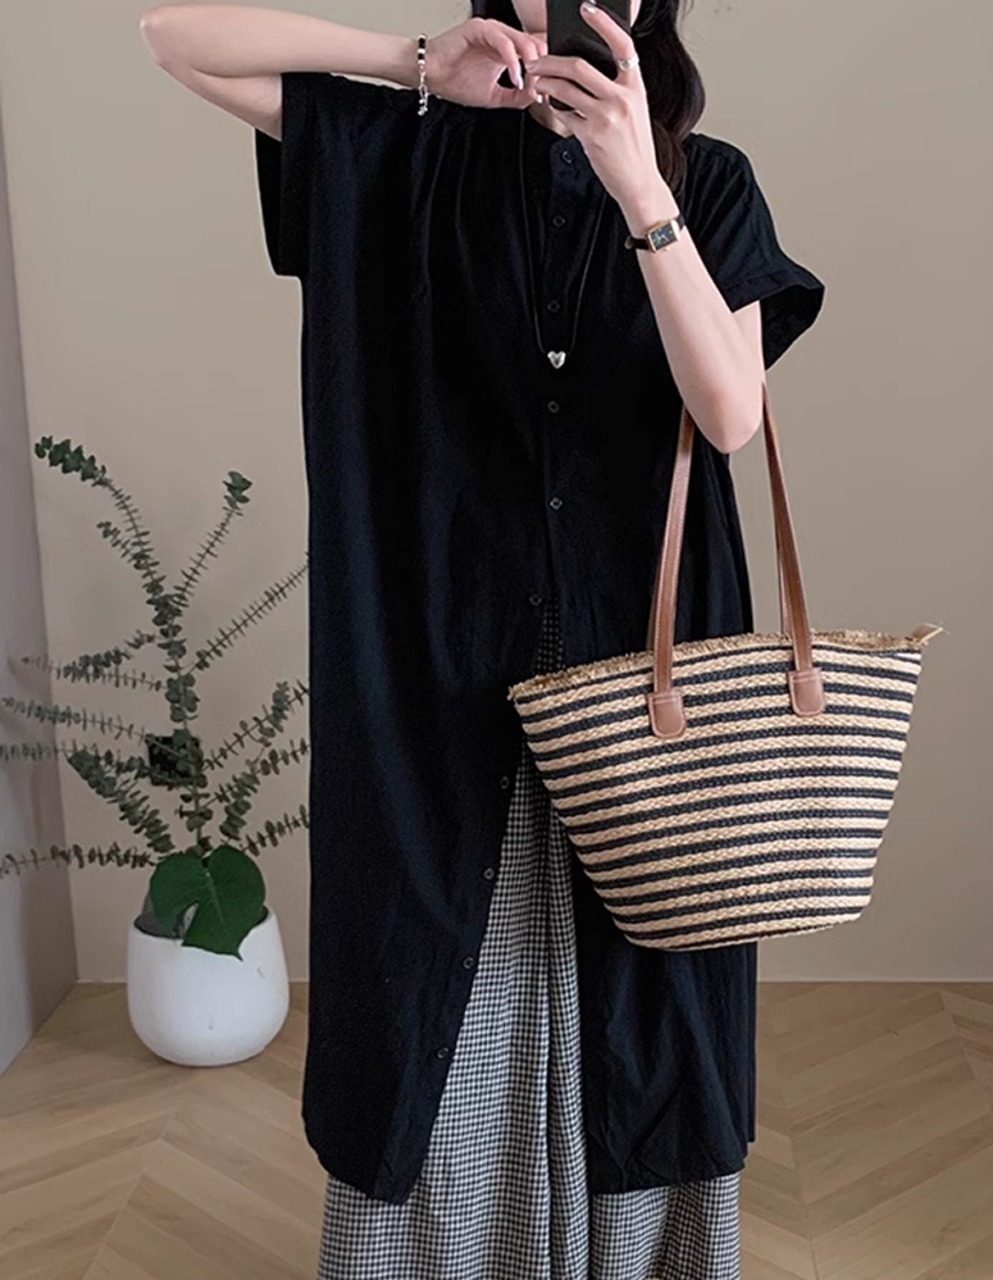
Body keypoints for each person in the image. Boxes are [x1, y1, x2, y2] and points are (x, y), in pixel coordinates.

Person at [141, 1, 825, 1275]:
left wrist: (640, 188)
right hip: (434, 659)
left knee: (650, 997)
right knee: (430, 980)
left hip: (647, 668)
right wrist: (408, 64)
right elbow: (172, 36)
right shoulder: (399, 148)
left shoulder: (707, 180)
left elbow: (729, 413)